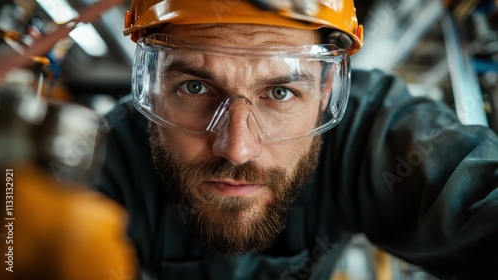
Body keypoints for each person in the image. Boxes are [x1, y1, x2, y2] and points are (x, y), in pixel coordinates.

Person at [95, 0, 498, 279]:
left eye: (280, 93)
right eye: (195, 88)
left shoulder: (367, 128)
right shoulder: (108, 154)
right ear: (152, 85)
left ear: (325, 92)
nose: (236, 148)